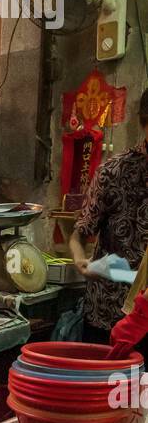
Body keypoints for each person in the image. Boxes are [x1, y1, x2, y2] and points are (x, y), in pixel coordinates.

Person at [69, 88, 148, 341]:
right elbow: (79, 234)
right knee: (111, 381)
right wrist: (83, 263)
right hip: (109, 315)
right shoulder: (113, 173)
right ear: (143, 124)